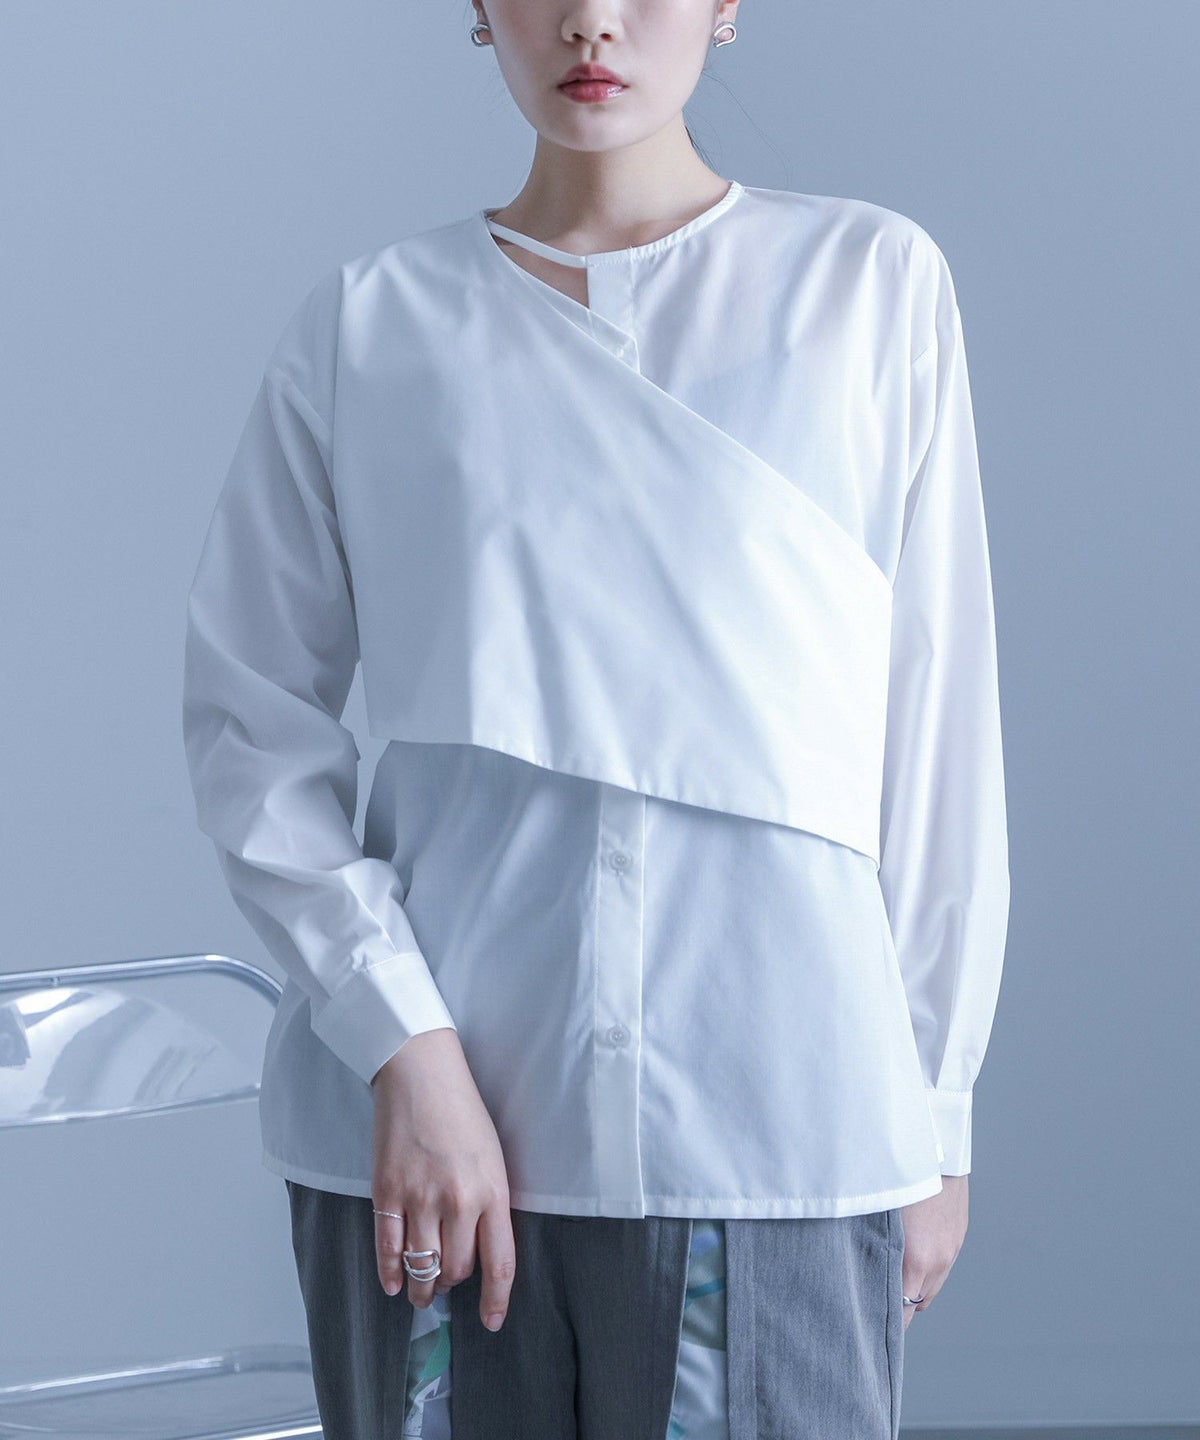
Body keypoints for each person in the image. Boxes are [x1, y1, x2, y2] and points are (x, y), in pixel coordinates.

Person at [181, 1, 1011, 1435]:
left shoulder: (869, 289)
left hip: (777, 1129)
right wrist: (401, 1041)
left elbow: (938, 733)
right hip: (438, 1148)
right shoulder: (372, 326)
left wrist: (933, 1109)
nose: (591, 21)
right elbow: (251, 721)